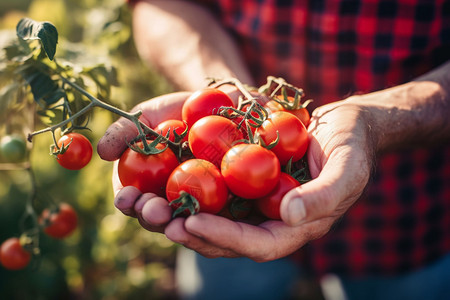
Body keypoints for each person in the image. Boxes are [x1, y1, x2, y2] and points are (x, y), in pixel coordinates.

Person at [97, 1, 450, 299]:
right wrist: (225, 88)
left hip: (405, 219)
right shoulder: (237, 153)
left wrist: (376, 121)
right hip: (229, 218)